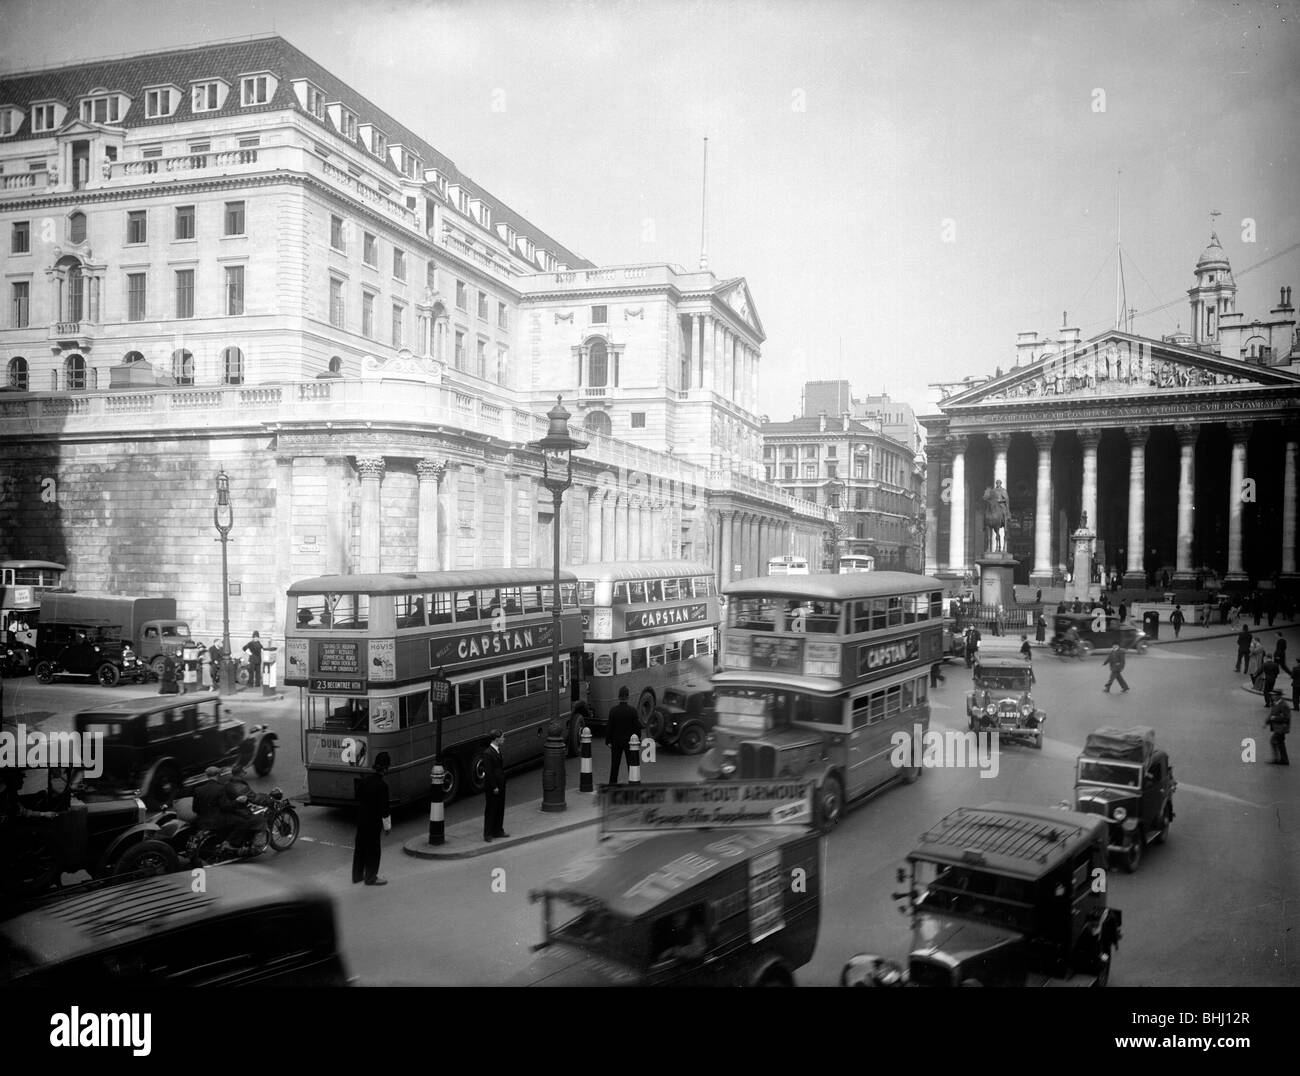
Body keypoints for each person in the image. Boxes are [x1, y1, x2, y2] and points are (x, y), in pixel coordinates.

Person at [353, 752, 392, 884]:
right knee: (373, 850)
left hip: (361, 819)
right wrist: (387, 827)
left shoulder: (364, 781)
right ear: (385, 769)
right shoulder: (383, 786)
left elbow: (357, 796)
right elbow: (385, 810)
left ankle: (357, 875)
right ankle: (370, 877)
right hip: (373, 823)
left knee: (360, 847)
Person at [217, 763, 266, 850]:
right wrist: (268, 799)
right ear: (240, 773)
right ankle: (257, 846)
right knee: (260, 820)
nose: (245, 774)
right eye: (244, 772)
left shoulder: (227, 784)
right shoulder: (237, 785)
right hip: (239, 812)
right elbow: (254, 797)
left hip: (230, 812)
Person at [606, 686, 642, 784]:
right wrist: (638, 739)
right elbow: (637, 727)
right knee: (631, 764)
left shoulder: (613, 710)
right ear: (628, 697)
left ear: (619, 697)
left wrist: (608, 741)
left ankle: (612, 784)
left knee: (615, 765)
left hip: (616, 742)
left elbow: (609, 727)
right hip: (629, 743)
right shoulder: (632, 711)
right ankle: (633, 782)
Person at [482, 730, 508, 841]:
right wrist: (494, 787)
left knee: (500, 807)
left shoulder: (497, 751)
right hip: (494, 786)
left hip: (501, 783)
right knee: (491, 808)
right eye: (502, 737)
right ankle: (488, 834)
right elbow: (489, 772)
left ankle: (498, 830)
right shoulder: (487, 753)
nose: (504, 739)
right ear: (496, 739)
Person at [191, 766, 226, 836]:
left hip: (202, 823)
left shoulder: (198, 790)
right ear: (218, 775)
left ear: (207, 776)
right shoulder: (221, 788)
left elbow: (195, 809)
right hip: (218, 823)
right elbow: (225, 807)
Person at [1265, 698, 1291, 765]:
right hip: (1278, 728)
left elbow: (1286, 718)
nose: (1273, 696)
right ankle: (1283, 759)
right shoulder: (1275, 703)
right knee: (1280, 743)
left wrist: (1275, 718)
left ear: (1278, 695)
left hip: (1282, 728)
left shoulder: (1283, 705)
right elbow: (1272, 714)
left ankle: (1278, 759)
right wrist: (1267, 722)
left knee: (1274, 741)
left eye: (1274, 695)